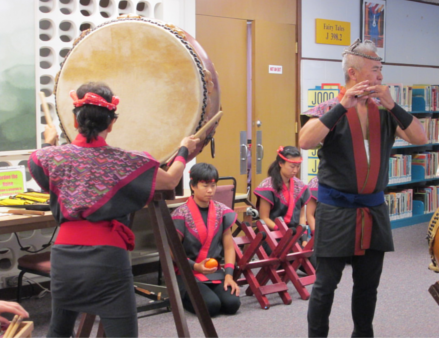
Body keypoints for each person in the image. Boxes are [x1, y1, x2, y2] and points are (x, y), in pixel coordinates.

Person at [28, 82, 199, 338]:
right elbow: (172, 180)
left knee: (59, 331)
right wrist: (185, 150)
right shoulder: (127, 161)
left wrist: (49, 145)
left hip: (64, 259)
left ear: (75, 121)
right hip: (107, 259)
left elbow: (61, 172)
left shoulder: (45, 158)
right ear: (111, 124)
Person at [299, 39, 427, 337]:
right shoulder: (328, 107)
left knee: (368, 286)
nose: (381, 76)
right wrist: (343, 106)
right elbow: (305, 141)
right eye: (376, 70)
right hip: (335, 211)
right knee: (325, 286)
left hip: (373, 209)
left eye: (381, 70)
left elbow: (420, 137)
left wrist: (393, 104)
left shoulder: (385, 111)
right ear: (354, 73)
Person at [171, 163, 240, 317]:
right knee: (211, 307)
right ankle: (179, 296)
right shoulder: (180, 214)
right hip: (188, 272)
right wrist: (196, 266)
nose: (210, 190)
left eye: (213, 185)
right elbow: (174, 252)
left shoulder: (222, 211)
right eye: (204, 185)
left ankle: (206, 292)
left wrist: (229, 275)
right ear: (193, 186)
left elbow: (229, 247)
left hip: (214, 272)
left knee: (232, 304)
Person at [253, 146, 311, 249]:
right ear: (280, 163)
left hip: (295, 235)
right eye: (292, 166)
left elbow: (302, 216)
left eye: (298, 166)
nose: (295, 170)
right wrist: (282, 232)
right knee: (290, 257)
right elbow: (264, 218)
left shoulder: (301, 186)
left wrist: (304, 239)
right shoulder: (267, 186)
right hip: (273, 236)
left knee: (313, 259)